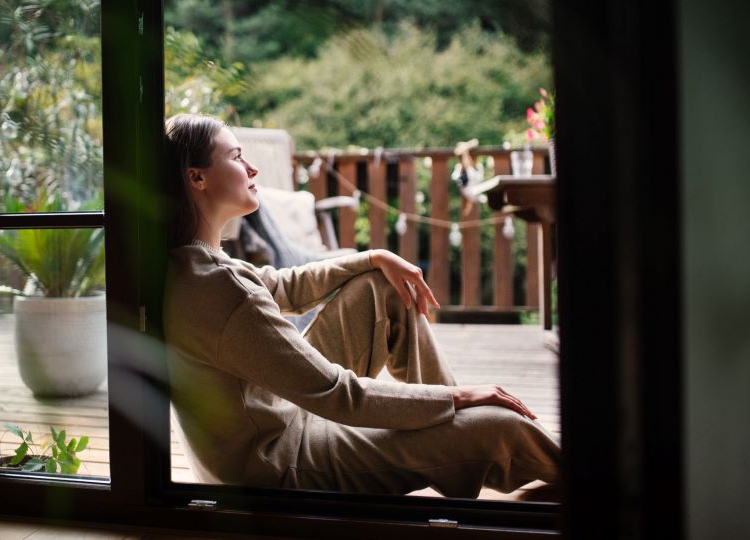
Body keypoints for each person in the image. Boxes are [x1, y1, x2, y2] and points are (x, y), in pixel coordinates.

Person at [162, 113, 559, 497]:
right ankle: (599, 478)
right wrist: (463, 397)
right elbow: (340, 396)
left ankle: (448, 424)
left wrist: (372, 258)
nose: (252, 169)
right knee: (499, 427)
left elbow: (282, 285)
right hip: (276, 464)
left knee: (381, 288)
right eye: (235, 157)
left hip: (266, 433)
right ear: (196, 177)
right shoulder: (220, 288)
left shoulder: (193, 265)